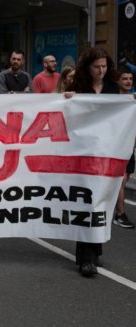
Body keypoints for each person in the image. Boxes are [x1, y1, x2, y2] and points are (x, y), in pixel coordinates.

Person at [66, 47, 121, 277]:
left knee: (100, 202)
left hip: (106, 153)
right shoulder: (77, 88)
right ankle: (85, 258)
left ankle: (95, 250)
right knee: (86, 202)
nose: (101, 70)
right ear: (87, 68)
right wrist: (67, 99)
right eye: (97, 66)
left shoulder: (112, 89)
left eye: (104, 66)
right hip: (83, 152)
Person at [113, 66, 135, 229]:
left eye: (130, 79)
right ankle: (120, 214)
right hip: (114, 145)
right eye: (124, 78)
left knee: (125, 178)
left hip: (130, 146)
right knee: (120, 179)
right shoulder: (111, 99)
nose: (128, 81)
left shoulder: (133, 99)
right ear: (118, 81)